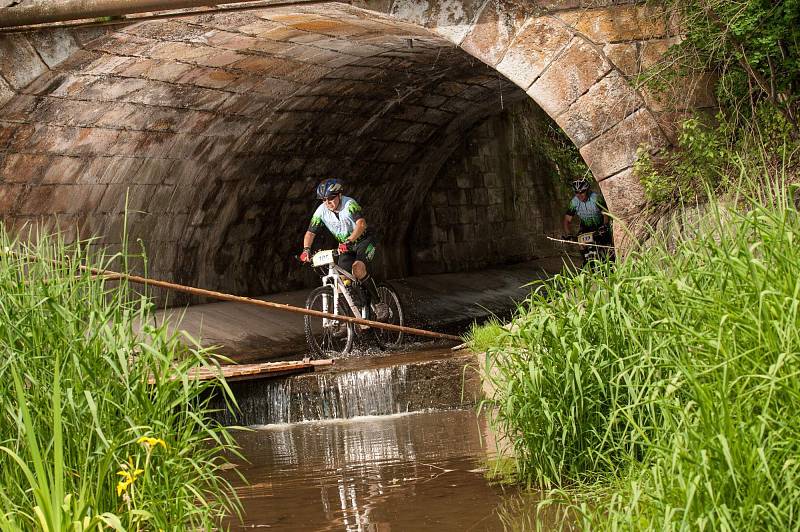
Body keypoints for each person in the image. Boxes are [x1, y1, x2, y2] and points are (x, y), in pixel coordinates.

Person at [299, 178, 387, 320]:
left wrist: (349, 240)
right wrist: (306, 250)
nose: (328, 202)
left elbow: (361, 224)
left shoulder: (349, 204)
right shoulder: (321, 211)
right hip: (346, 246)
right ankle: (343, 319)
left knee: (358, 269)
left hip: (364, 241)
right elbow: (310, 233)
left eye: (331, 198)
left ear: (339, 195)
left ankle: (378, 303)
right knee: (340, 280)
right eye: (323, 200)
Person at [562, 177, 613, 262]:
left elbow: (605, 214)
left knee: (606, 246)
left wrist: (605, 225)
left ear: (587, 190)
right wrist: (568, 234)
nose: (579, 195)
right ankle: (587, 263)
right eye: (576, 192)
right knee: (581, 244)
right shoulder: (574, 202)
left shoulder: (596, 198)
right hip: (586, 227)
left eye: (582, 192)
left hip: (600, 225)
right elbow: (567, 220)